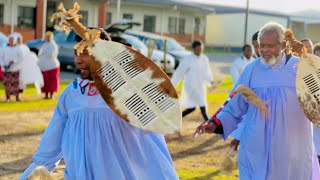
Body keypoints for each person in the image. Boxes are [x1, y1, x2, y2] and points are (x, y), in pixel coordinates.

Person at [19, 30, 179, 180]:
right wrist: (27, 176)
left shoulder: (128, 93)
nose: (78, 60)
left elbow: (153, 142)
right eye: (76, 53)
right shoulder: (72, 93)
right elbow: (50, 147)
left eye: (85, 53)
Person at [195, 22, 320, 179]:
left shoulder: (302, 69)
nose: (265, 51)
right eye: (262, 46)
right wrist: (215, 123)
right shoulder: (251, 70)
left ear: (283, 45)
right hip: (256, 148)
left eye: (271, 46)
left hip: (291, 150)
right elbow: (235, 104)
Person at [171, 40, 213, 121]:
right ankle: (207, 121)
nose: (199, 51)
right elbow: (179, 72)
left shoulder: (204, 59)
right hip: (190, 86)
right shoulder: (188, 59)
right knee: (194, 106)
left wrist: (209, 80)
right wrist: (173, 84)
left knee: (199, 104)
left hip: (200, 86)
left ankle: (178, 118)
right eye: (198, 49)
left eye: (201, 49)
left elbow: (207, 71)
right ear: (193, 49)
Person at [0, 34, 23, 102]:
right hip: (6, 69)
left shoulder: (18, 48)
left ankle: (17, 97)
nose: (11, 41)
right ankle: (8, 97)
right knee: (7, 83)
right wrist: (4, 65)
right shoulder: (4, 48)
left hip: (15, 68)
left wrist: (14, 62)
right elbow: (1, 58)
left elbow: (21, 57)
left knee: (16, 83)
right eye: (10, 40)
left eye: (13, 40)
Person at [37, 31, 60, 99]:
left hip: (52, 66)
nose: (47, 38)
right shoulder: (44, 45)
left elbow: (51, 54)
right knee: (45, 81)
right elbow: (40, 54)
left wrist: (44, 52)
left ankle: (51, 94)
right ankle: (46, 94)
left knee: (52, 81)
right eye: (46, 37)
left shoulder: (53, 45)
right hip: (44, 67)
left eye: (48, 37)